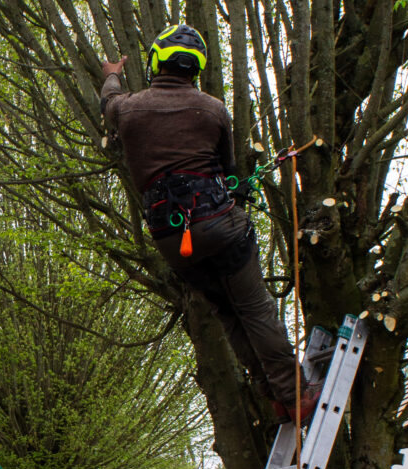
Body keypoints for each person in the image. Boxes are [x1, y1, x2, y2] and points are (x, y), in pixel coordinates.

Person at [100, 24, 320, 423]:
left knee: (228, 314)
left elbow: (109, 98)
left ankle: (272, 395)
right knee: (254, 308)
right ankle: (295, 395)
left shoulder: (127, 108)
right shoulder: (212, 109)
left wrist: (112, 71)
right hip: (221, 227)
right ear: (196, 68)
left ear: (157, 62)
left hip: (171, 238)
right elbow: (228, 170)